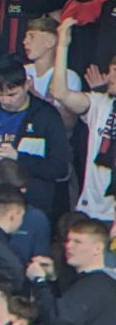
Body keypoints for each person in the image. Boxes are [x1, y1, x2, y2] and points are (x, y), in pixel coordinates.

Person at [0, 60, 69, 214]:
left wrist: (18, 157)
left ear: (27, 85)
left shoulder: (46, 116)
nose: (6, 100)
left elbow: (60, 168)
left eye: (12, 94)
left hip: (31, 203)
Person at [49, 18, 116, 221]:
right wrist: (62, 46)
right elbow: (60, 92)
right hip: (89, 208)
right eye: (111, 70)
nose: (110, 77)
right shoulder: (99, 103)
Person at [26, 218, 116, 324]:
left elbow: (60, 320)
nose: (68, 246)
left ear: (97, 248)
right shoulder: (91, 282)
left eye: (77, 242)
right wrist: (53, 279)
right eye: (68, 241)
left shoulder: (96, 284)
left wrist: (39, 281)